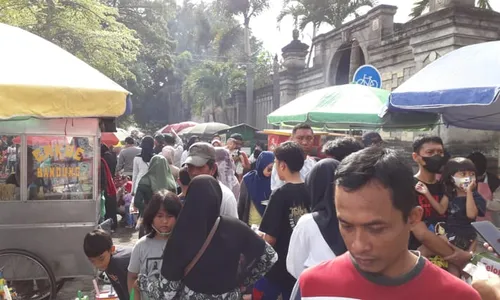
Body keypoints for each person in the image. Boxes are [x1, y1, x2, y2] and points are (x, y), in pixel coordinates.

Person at [291, 147, 481, 300]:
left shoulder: (457, 295)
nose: (359, 245)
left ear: (413, 218)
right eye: (347, 226)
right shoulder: (312, 286)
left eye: (376, 229)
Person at [137, 175, 278, 299]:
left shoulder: (181, 234)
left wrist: (143, 282)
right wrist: (243, 282)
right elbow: (270, 257)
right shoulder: (235, 226)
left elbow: (166, 293)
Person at [259, 142, 311, 300]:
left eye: (275, 162)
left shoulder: (279, 194)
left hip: (280, 265)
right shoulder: (312, 190)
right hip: (304, 263)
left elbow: (270, 239)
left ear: (282, 165)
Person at [128, 191, 182, 300]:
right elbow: (132, 277)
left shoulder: (184, 245)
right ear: (151, 217)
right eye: (159, 216)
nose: (165, 221)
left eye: (170, 216)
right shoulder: (141, 246)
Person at [440, 158, 486, 252]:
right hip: (449, 235)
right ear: (451, 178)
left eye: (472, 174)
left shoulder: (476, 197)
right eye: (463, 174)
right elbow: (440, 210)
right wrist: (427, 193)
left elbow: (471, 215)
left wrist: (469, 192)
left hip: (466, 239)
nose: (468, 177)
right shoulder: (449, 195)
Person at [184, 142, 238, 218]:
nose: (193, 172)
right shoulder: (190, 192)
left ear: (213, 169)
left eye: (200, 167)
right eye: (190, 166)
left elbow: (231, 228)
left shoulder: (225, 198)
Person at [134, 155, 177, 238]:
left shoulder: (144, 181)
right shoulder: (171, 182)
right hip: (167, 221)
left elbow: (137, 202)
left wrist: (150, 209)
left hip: (148, 219)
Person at [84, 229, 131, 300]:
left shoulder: (117, 263)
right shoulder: (107, 261)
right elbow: (117, 286)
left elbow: (129, 291)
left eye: (101, 258)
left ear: (112, 249)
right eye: (92, 261)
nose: (98, 264)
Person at [271, 124, 316, 191]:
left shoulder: (314, 165)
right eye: (300, 138)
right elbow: (277, 191)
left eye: (309, 138)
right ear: (291, 139)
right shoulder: (282, 164)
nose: (304, 142)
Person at [238, 151, 274, 226]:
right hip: (251, 224)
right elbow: (241, 204)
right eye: (269, 169)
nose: (271, 172)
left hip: (268, 227)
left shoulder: (276, 180)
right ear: (262, 165)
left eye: (274, 169)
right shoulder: (248, 179)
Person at [468, 152, 500, 226]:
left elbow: (498, 205)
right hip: (468, 224)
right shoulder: (464, 180)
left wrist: (480, 201)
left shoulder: (494, 182)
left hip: (490, 224)